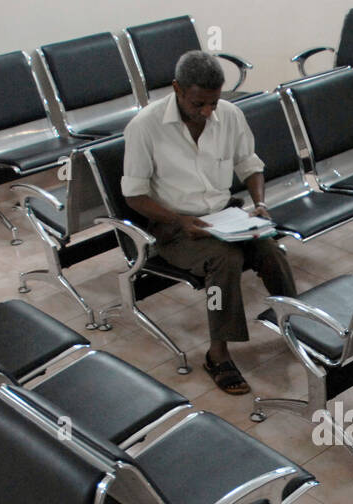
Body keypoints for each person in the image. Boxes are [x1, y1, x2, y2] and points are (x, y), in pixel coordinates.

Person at [121, 50, 295, 395]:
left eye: (213, 103)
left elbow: (250, 164)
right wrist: (179, 220)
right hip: (172, 227)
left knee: (270, 249)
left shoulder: (229, 115)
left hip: (224, 217)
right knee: (224, 260)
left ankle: (296, 323)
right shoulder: (145, 127)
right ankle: (218, 354)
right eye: (198, 103)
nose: (207, 112)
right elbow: (134, 195)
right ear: (177, 88)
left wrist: (259, 204)